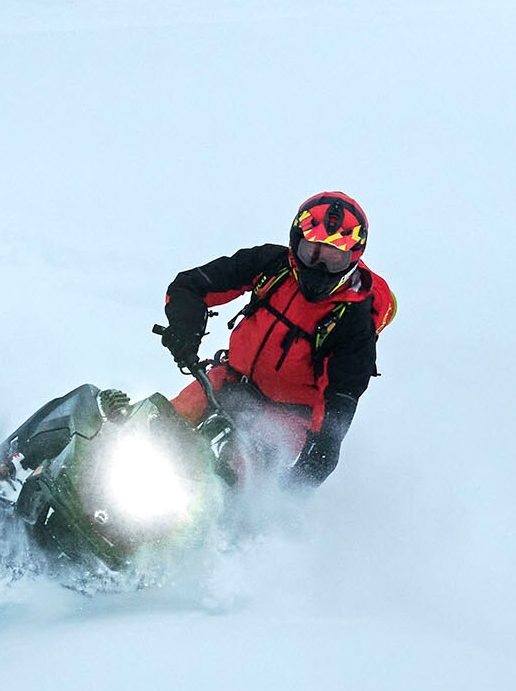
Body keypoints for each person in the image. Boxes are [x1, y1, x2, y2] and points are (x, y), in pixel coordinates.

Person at [157, 190, 394, 483]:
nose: (320, 267)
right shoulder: (270, 263)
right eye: (313, 252)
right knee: (161, 426)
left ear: (353, 258)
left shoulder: (353, 322)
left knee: (228, 473)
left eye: (334, 259)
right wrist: (185, 330)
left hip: (287, 418)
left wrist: (310, 468)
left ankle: (220, 524)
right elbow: (190, 286)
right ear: (296, 243)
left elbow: (339, 401)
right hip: (227, 381)